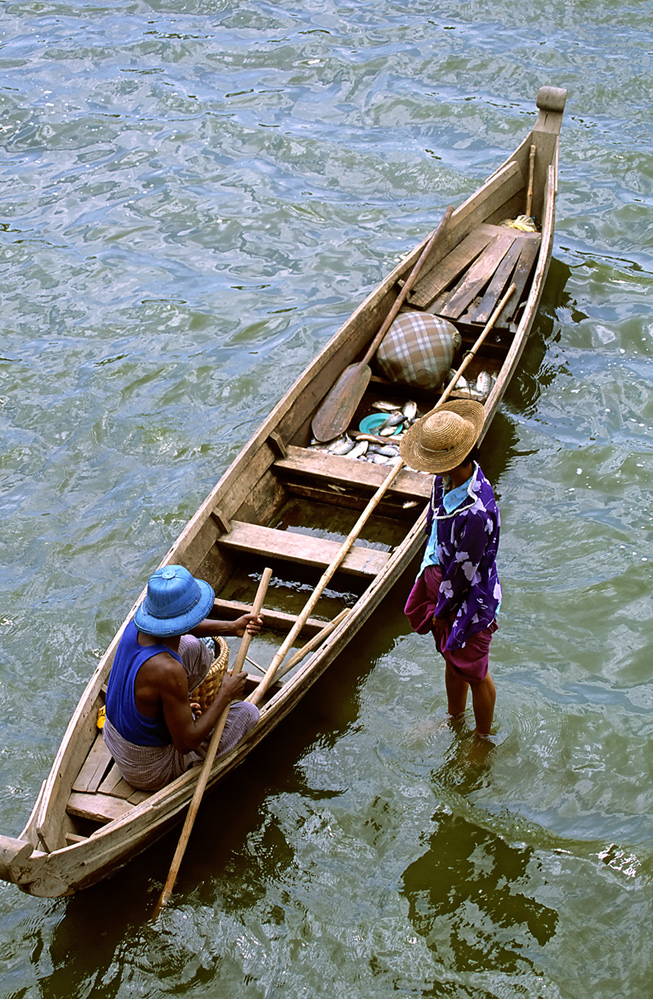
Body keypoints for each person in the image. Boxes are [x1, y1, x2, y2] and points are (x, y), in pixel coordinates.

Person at [103, 564, 262, 790]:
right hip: (148, 770)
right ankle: (180, 716)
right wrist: (225, 694)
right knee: (248, 713)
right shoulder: (167, 670)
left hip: (115, 739)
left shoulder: (137, 625)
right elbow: (186, 743)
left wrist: (232, 627)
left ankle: (177, 711)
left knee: (191, 646)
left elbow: (183, 627)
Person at [401, 400, 501, 737]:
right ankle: (454, 718)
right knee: (451, 657)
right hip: (439, 583)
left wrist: (443, 612)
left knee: (475, 671)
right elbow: (434, 530)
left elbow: (464, 573)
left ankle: (482, 738)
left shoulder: (477, 512)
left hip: (468, 600)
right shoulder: (442, 483)